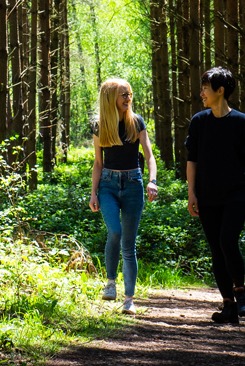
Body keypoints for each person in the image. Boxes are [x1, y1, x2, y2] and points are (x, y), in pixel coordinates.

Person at [184, 67, 245, 324]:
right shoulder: (199, 121)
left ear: (221, 91)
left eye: (206, 88)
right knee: (216, 250)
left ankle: (241, 294)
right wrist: (191, 194)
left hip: (235, 194)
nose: (201, 93)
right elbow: (192, 160)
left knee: (228, 241)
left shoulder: (242, 122)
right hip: (206, 196)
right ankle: (228, 305)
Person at [89, 78, 158, 315]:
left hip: (133, 184)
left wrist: (152, 180)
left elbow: (149, 156)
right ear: (110, 98)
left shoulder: (136, 122)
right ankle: (110, 283)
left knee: (128, 245)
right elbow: (98, 163)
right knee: (115, 232)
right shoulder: (100, 125)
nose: (128, 98)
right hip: (107, 185)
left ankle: (129, 299)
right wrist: (93, 193)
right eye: (123, 95)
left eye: (129, 94)